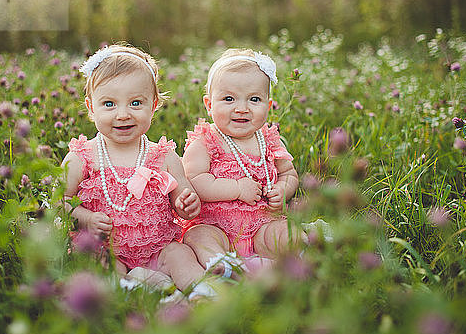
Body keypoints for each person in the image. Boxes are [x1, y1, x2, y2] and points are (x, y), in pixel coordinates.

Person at [62, 44, 210, 295]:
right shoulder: (82, 156)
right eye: (109, 104)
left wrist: (187, 204)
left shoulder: (163, 156)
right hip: (106, 248)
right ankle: (127, 297)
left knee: (180, 254)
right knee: (101, 267)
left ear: (153, 105)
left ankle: (203, 293)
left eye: (135, 103)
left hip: (157, 249)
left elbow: (182, 196)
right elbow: (59, 200)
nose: (122, 114)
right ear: (90, 107)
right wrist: (85, 218)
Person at [182, 48, 303, 278]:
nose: (241, 108)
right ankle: (223, 264)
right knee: (197, 236)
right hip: (217, 226)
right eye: (228, 99)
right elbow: (193, 181)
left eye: (254, 99)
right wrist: (236, 188)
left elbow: (289, 173)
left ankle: (290, 260)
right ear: (209, 105)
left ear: (268, 106)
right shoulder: (205, 142)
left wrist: (282, 189)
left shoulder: (268, 139)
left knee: (285, 233)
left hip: (261, 224)